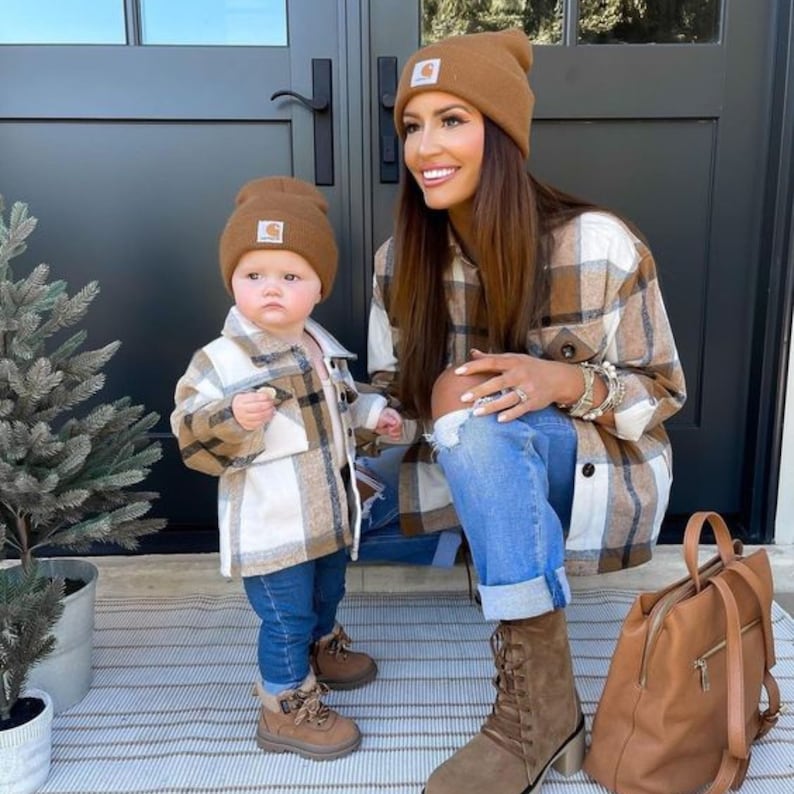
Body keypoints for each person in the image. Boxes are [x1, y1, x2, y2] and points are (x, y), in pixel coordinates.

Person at [362, 28, 687, 794]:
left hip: (590, 471)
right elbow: (387, 397)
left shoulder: (598, 244)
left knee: (477, 422)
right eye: (412, 124)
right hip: (462, 469)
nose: (424, 146)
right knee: (315, 504)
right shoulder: (396, 263)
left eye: (452, 120)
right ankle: (552, 708)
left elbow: (661, 392)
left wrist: (560, 383)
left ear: (502, 134)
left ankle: (532, 716)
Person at [170, 176, 402, 761]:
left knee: (328, 592)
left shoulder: (319, 347)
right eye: (254, 276)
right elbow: (190, 431)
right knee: (285, 616)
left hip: (325, 518)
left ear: (318, 288)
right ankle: (283, 704)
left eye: (290, 276)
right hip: (274, 526)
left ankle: (323, 649)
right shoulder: (221, 360)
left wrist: (378, 414)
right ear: (232, 282)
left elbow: (345, 406)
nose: (271, 289)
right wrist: (232, 415)